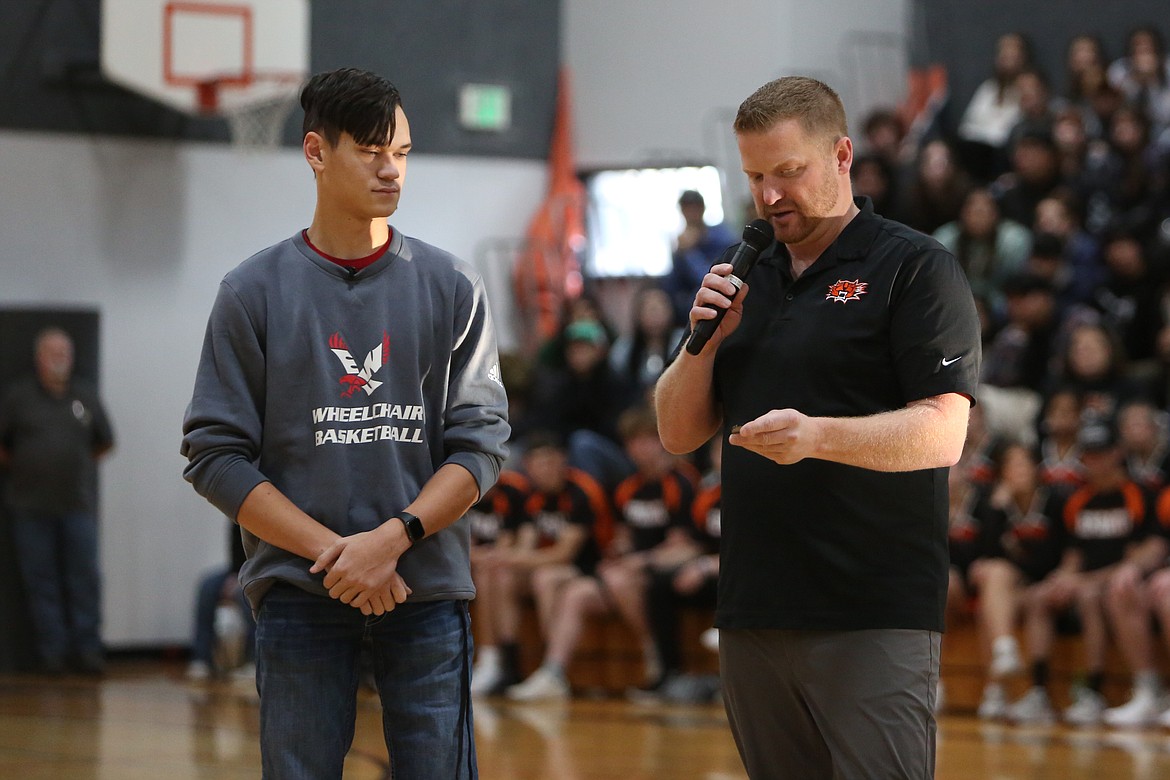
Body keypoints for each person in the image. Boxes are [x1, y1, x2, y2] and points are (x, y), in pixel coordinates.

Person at [180, 68, 510, 779]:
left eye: (403, 152)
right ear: (315, 152)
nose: (392, 169)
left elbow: (480, 447)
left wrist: (394, 539)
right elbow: (215, 455)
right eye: (370, 150)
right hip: (301, 597)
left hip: (424, 594)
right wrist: (340, 556)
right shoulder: (252, 291)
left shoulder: (454, 287)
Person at [655, 76, 980, 779]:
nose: (770, 196)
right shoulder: (745, 278)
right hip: (753, 608)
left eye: (789, 172)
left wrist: (819, 437)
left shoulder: (915, 268)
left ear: (841, 156)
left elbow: (943, 432)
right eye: (755, 176)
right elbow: (678, 434)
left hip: (870, 608)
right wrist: (700, 344)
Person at [1005, 417, 1159, 727]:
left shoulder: (1138, 494)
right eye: (1088, 454)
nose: (1093, 461)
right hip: (1085, 581)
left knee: (1090, 595)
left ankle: (1093, 692)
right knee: (1039, 596)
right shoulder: (1077, 500)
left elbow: (1145, 554)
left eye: (1100, 453)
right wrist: (1062, 577)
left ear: (1117, 453)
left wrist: (1081, 580)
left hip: (1118, 587)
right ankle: (1038, 693)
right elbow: (1073, 555)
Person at [0, 327, 114, 676]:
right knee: (41, 584)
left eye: (65, 351)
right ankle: (52, 655)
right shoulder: (18, 397)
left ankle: (88, 652)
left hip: (77, 506)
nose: (60, 358)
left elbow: (105, 442)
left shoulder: (85, 395)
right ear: (39, 358)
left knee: (85, 580)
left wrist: (71, 464)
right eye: (53, 352)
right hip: (29, 507)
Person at [662, 189, 736, 326]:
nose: (690, 214)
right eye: (686, 209)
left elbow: (708, 276)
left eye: (694, 208)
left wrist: (691, 252)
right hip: (689, 308)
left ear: (702, 208)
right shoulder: (681, 244)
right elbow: (673, 285)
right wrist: (681, 252)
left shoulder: (719, 234)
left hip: (721, 297)